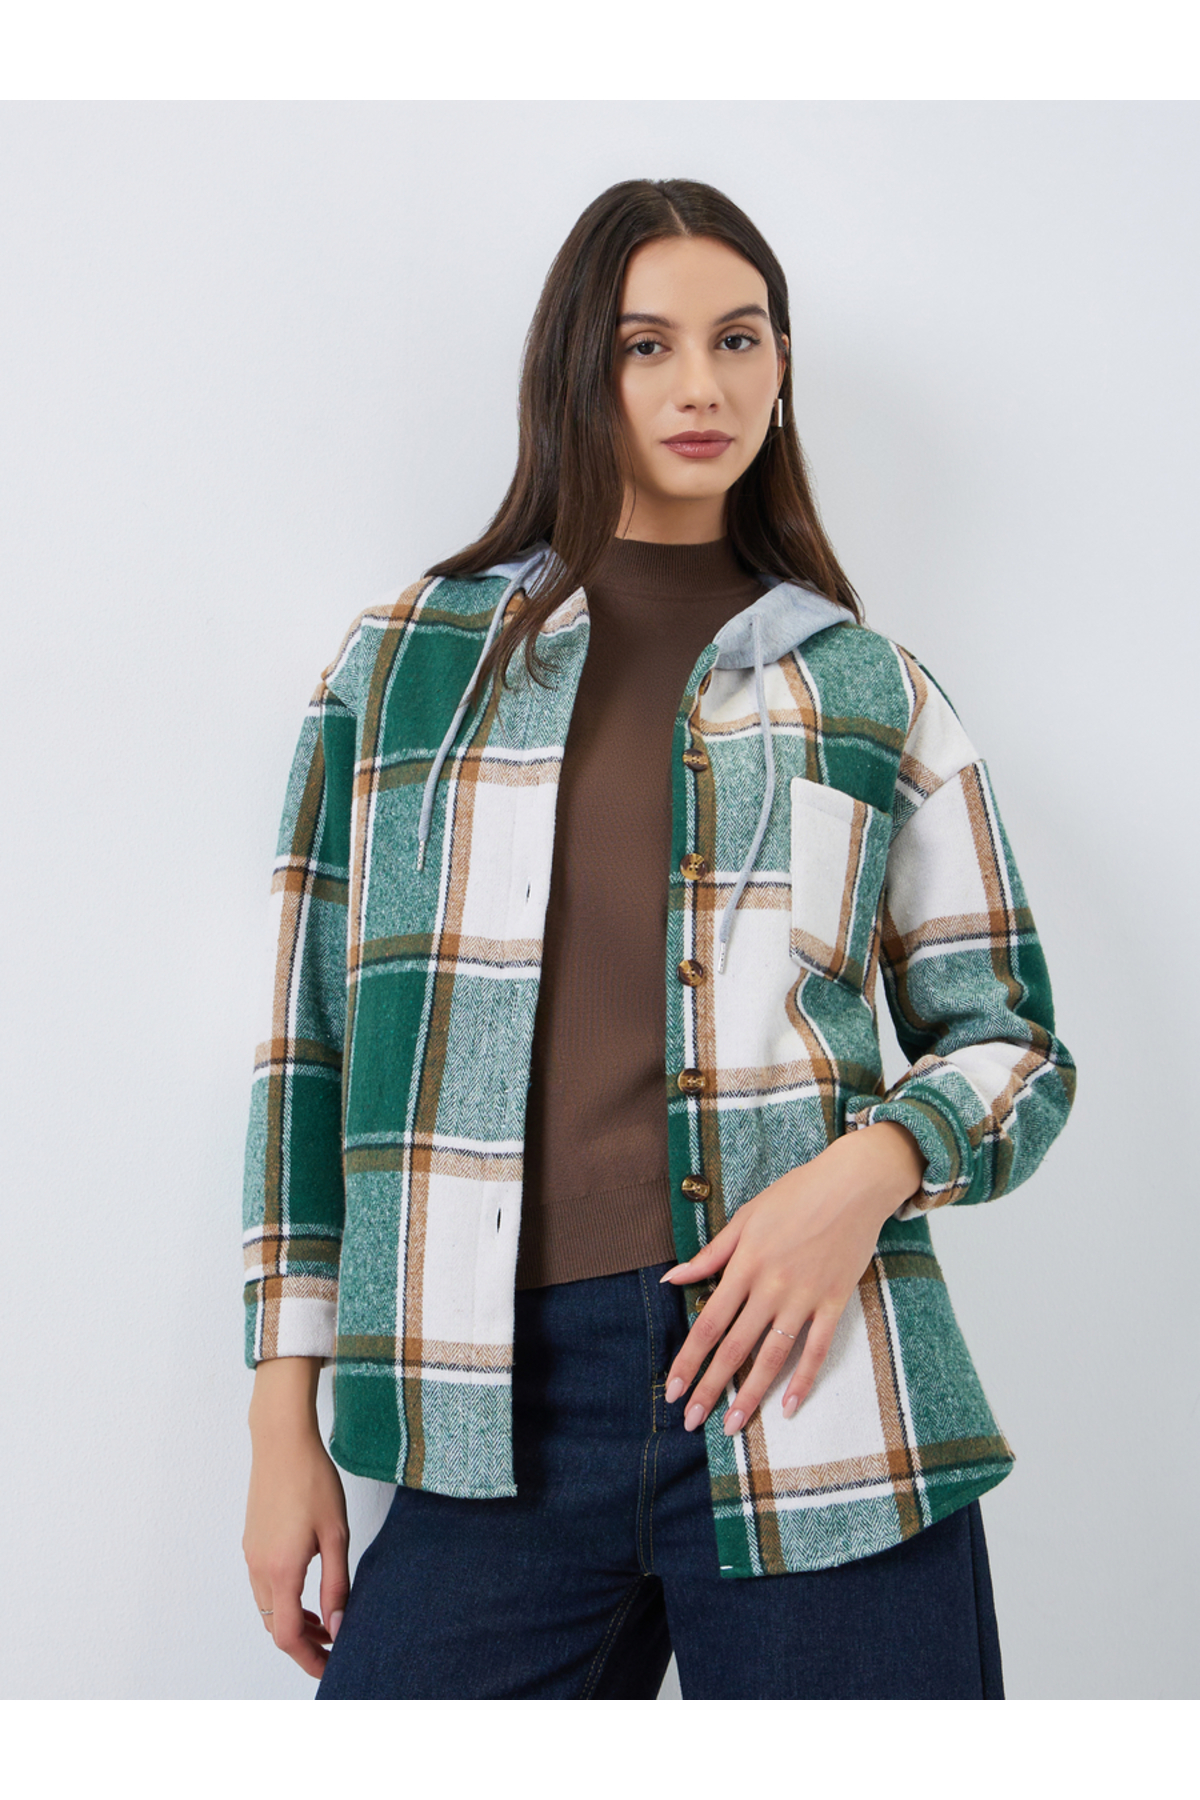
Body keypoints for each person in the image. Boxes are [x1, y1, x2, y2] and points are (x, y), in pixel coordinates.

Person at [240, 177, 1076, 1700]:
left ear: (781, 367)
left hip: (817, 1390)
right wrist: (280, 1422)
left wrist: (863, 1178)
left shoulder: (868, 689)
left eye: (738, 340)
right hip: (490, 1416)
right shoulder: (409, 668)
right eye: (648, 346)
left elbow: (1013, 1041)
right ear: (582, 367)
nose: (702, 386)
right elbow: (313, 1055)